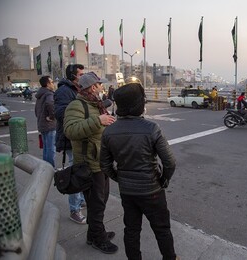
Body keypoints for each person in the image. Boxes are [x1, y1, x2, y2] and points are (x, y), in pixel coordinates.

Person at [100, 80, 178, 260]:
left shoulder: (109, 132)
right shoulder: (151, 128)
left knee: (131, 230)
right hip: (152, 190)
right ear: (139, 104)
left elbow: (105, 165)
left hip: (127, 192)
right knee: (162, 229)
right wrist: (164, 179)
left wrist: (120, 178)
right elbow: (170, 162)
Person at [64, 72, 118, 254]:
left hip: (101, 162)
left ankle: (93, 234)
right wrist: (98, 121)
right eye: (100, 84)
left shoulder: (96, 104)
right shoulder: (76, 105)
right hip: (89, 164)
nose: (102, 87)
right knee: (96, 204)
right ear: (93, 87)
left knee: (100, 201)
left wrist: (107, 122)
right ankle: (98, 239)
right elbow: (70, 130)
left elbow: (98, 129)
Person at [54, 64, 87, 224]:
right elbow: (60, 113)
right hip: (70, 138)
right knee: (75, 172)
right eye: (81, 74)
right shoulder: (63, 91)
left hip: (79, 137)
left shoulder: (77, 89)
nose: (83, 76)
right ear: (73, 76)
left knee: (81, 170)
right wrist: (79, 110)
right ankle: (74, 209)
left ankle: (80, 200)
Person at [34, 76, 56, 167]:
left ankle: (45, 167)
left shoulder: (40, 94)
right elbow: (50, 104)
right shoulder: (48, 94)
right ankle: (51, 168)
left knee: (46, 148)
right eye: (51, 82)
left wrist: (41, 117)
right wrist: (52, 116)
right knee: (51, 148)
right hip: (49, 125)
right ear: (47, 84)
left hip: (42, 124)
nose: (53, 84)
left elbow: (36, 110)